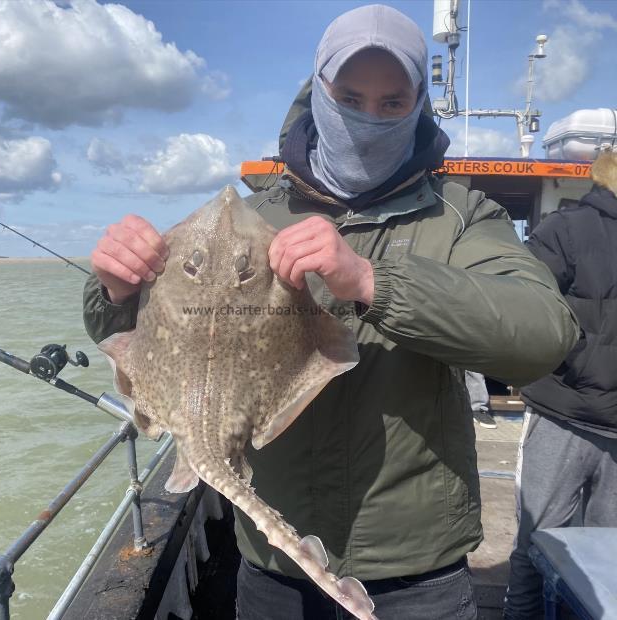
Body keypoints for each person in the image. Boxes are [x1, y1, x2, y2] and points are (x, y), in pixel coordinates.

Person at [84, 5, 578, 618]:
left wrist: (374, 280)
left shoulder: (461, 216)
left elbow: (542, 333)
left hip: (416, 567)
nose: (369, 116)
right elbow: (141, 337)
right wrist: (115, 289)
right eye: (350, 96)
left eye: (392, 102)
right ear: (317, 91)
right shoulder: (254, 215)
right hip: (273, 564)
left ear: (419, 104)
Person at [504, 148, 617, 620]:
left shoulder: (560, 226)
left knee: (607, 560)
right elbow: (525, 309)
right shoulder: (566, 229)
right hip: (561, 414)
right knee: (539, 542)